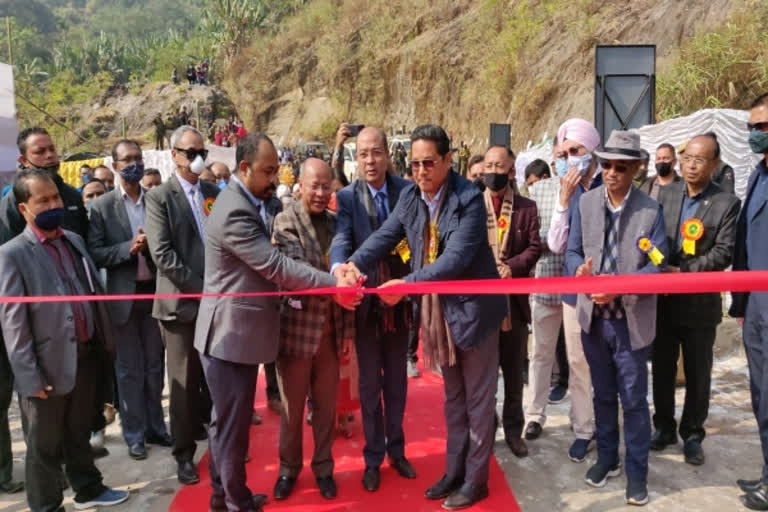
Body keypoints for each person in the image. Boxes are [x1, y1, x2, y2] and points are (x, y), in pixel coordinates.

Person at [342, 125, 507, 509]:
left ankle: (476, 479)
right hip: (440, 314)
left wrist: (408, 283)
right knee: (453, 398)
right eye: (414, 163)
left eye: (428, 163)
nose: (420, 171)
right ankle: (454, 471)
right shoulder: (413, 198)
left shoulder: (469, 199)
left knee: (478, 401)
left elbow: (455, 260)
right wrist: (350, 264)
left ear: (448, 161)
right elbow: (385, 236)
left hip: (475, 314)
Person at [193, 134, 358, 511]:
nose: (272, 179)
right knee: (231, 429)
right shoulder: (236, 209)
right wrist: (335, 283)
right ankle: (235, 502)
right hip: (229, 336)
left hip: (241, 335)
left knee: (227, 426)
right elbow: (275, 266)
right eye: (268, 171)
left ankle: (226, 495)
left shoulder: (244, 203)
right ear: (244, 168)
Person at [0, 168, 130, 511]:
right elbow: (14, 324)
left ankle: (89, 488)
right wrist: (29, 376)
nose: (53, 204)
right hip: (46, 367)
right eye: (42, 200)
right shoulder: (12, 255)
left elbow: (90, 291)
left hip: (84, 356)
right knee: (43, 446)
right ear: (24, 208)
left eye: (56, 197)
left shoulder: (73, 240)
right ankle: (47, 506)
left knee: (78, 434)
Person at [566, 130, 667, 506]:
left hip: (630, 324)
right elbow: (573, 252)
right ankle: (608, 458)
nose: (610, 172)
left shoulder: (650, 211)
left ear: (636, 169)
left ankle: (637, 471)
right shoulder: (586, 204)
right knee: (603, 395)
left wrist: (619, 288)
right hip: (594, 320)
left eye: (620, 167)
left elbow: (657, 269)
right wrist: (579, 272)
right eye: (606, 164)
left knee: (634, 401)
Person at [329, 125, 417, 493]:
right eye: (362, 153)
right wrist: (339, 269)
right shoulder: (348, 198)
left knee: (397, 383)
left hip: (398, 302)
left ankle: (397, 451)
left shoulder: (407, 192)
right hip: (366, 306)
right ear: (355, 157)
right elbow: (342, 238)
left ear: (387, 155)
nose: (369, 160)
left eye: (375, 152)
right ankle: (372, 457)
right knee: (369, 387)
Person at [651, 133, 740, 466]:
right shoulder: (665, 193)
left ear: (714, 164)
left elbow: (723, 253)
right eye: (687, 157)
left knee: (698, 373)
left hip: (700, 305)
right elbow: (652, 235)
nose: (691, 165)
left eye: (700, 160)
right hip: (662, 301)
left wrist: (683, 271)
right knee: (661, 368)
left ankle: (692, 433)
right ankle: (662, 427)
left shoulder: (726, 203)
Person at [271, 158, 356, 501]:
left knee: (325, 409)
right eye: (314, 186)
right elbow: (296, 272)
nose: (321, 193)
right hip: (296, 332)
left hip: (332, 334)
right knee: (292, 412)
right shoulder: (284, 221)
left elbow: (349, 278)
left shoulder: (339, 225)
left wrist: (347, 334)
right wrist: (339, 280)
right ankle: (288, 470)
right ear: (300, 186)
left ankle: (324, 468)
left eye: (327, 186)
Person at [144, 125, 219, 485]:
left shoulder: (212, 191)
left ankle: (221, 443)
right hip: (180, 306)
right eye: (190, 152)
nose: (197, 158)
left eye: (201, 151)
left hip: (216, 300)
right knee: (183, 383)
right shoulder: (159, 197)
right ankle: (184, 454)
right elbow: (162, 254)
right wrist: (202, 288)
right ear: (174, 155)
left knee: (217, 376)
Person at [87, 140, 171, 461]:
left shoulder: (157, 200)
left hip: (153, 295)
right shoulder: (102, 207)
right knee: (128, 371)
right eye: (126, 159)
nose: (132, 164)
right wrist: (128, 248)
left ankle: (156, 429)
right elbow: (95, 252)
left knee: (154, 367)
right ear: (114, 164)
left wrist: (152, 247)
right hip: (121, 299)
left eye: (137, 158)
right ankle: (134, 435)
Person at [545, 118, 601, 462]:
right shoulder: (568, 189)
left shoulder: (610, 183)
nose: (568, 159)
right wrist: (563, 201)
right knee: (578, 362)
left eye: (575, 151)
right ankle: (584, 428)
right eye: (564, 153)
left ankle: (603, 422)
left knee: (607, 364)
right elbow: (556, 243)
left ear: (592, 150)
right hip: (573, 290)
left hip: (609, 291)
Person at [481, 145, 542, 458]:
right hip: (481, 307)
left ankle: (514, 431)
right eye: (488, 164)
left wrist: (512, 267)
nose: (493, 170)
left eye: (499, 165)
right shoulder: (473, 207)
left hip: (514, 306)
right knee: (485, 373)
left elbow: (534, 248)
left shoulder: (526, 208)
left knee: (514, 371)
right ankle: (486, 428)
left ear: (511, 168)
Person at [730, 92, 768, 511]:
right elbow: (745, 243)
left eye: (764, 127)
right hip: (757, 307)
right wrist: (740, 303)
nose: (756, 135)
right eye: (752, 127)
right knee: (760, 395)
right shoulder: (758, 175)